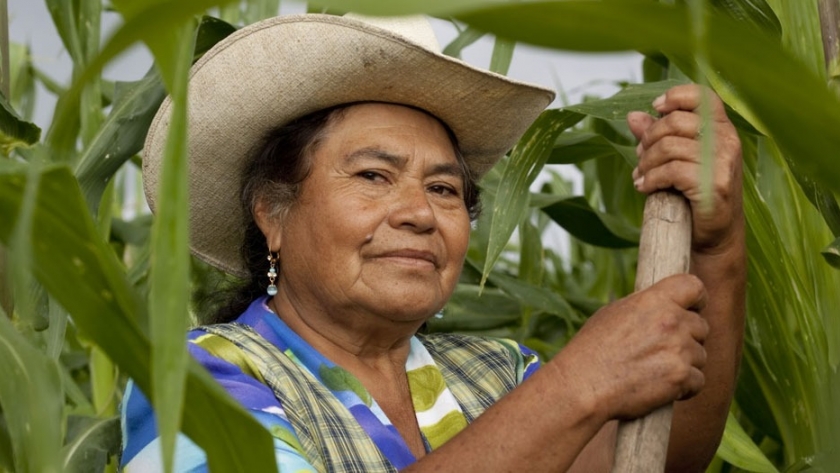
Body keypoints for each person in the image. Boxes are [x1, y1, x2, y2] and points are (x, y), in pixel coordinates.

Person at [121, 12, 745, 473]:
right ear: (272, 215)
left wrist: (716, 250)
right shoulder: (194, 379)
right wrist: (579, 384)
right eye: (373, 175)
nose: (420, 212)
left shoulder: (499, 375)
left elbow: (663, 452)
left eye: (445, 189)